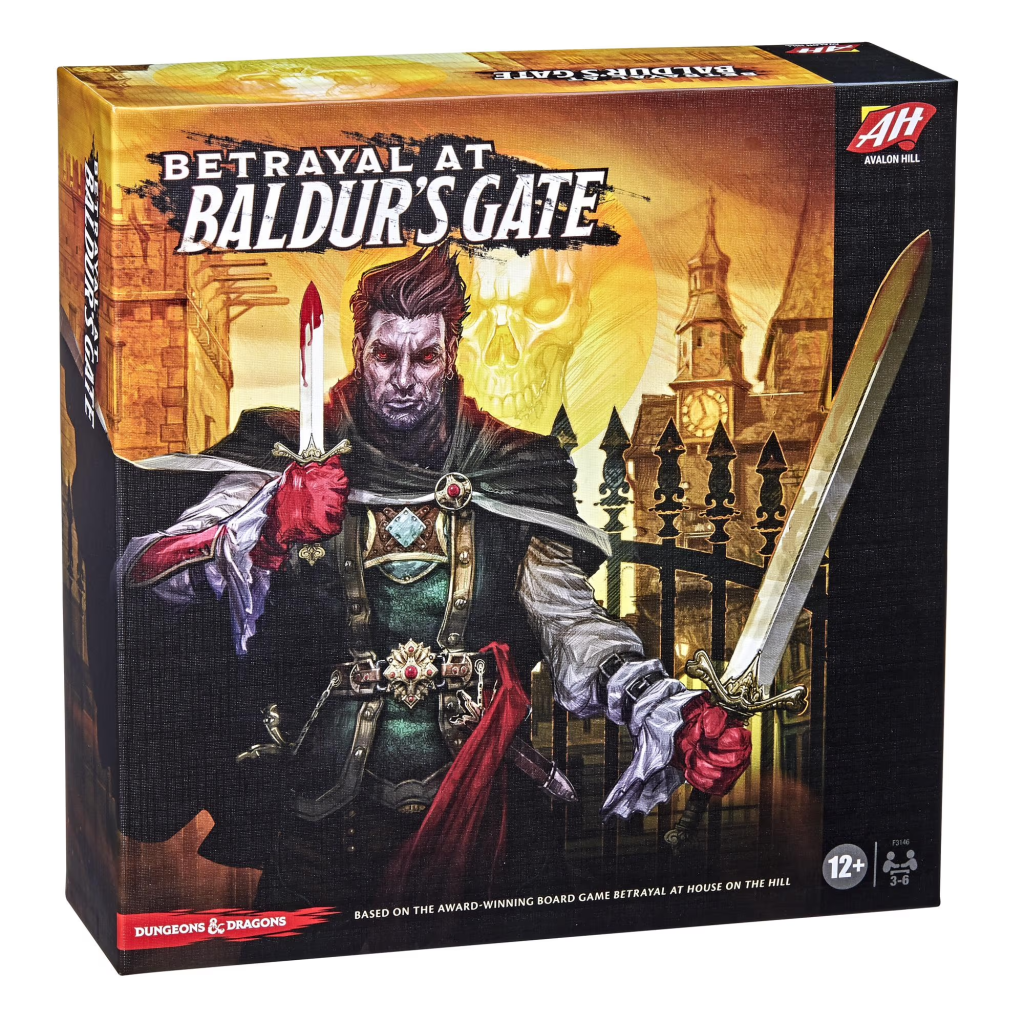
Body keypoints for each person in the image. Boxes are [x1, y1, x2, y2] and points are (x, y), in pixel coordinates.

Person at [118, 246, 750, 911]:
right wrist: (264, 527)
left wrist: (667, 710)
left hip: (480, 801)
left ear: (450, 356)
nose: (403, 380)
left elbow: (570, 624)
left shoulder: (510, 466)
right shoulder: (281, 454)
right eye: (385, 356)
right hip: (321, 814)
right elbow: (152, 572)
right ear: (359, 350)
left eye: (423, 358)